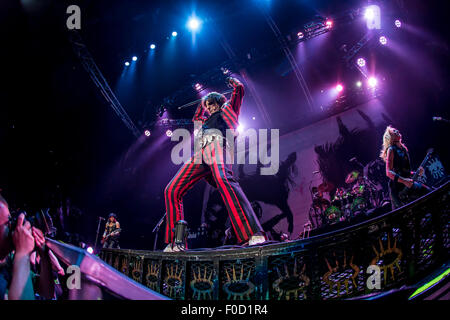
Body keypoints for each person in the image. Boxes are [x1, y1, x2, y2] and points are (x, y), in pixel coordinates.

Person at [163, 77, 266, 252]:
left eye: (212, 104)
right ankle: (176, 242)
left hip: (218, 145)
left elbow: (239, 92)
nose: (210, 107)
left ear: (219, 102)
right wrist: (201, 103)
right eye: (207, 105)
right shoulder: (203, 122)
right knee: (172, 190)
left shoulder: (226, 110)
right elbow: (197, 117)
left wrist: (234, 83)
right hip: (200, 153)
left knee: (223, 179)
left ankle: (252, 233)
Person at [380, 126, 429, 209]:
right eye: (393, 131)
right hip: (397, 188)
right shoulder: (391, 150)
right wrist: (404, 181)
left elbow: (405, 171)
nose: (396, 130)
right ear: (391, 137)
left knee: (427, 192)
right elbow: (388, 172)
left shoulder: (404, 149)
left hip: (407, 184)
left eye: (396, 129)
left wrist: (416, 173)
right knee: (402, 215)